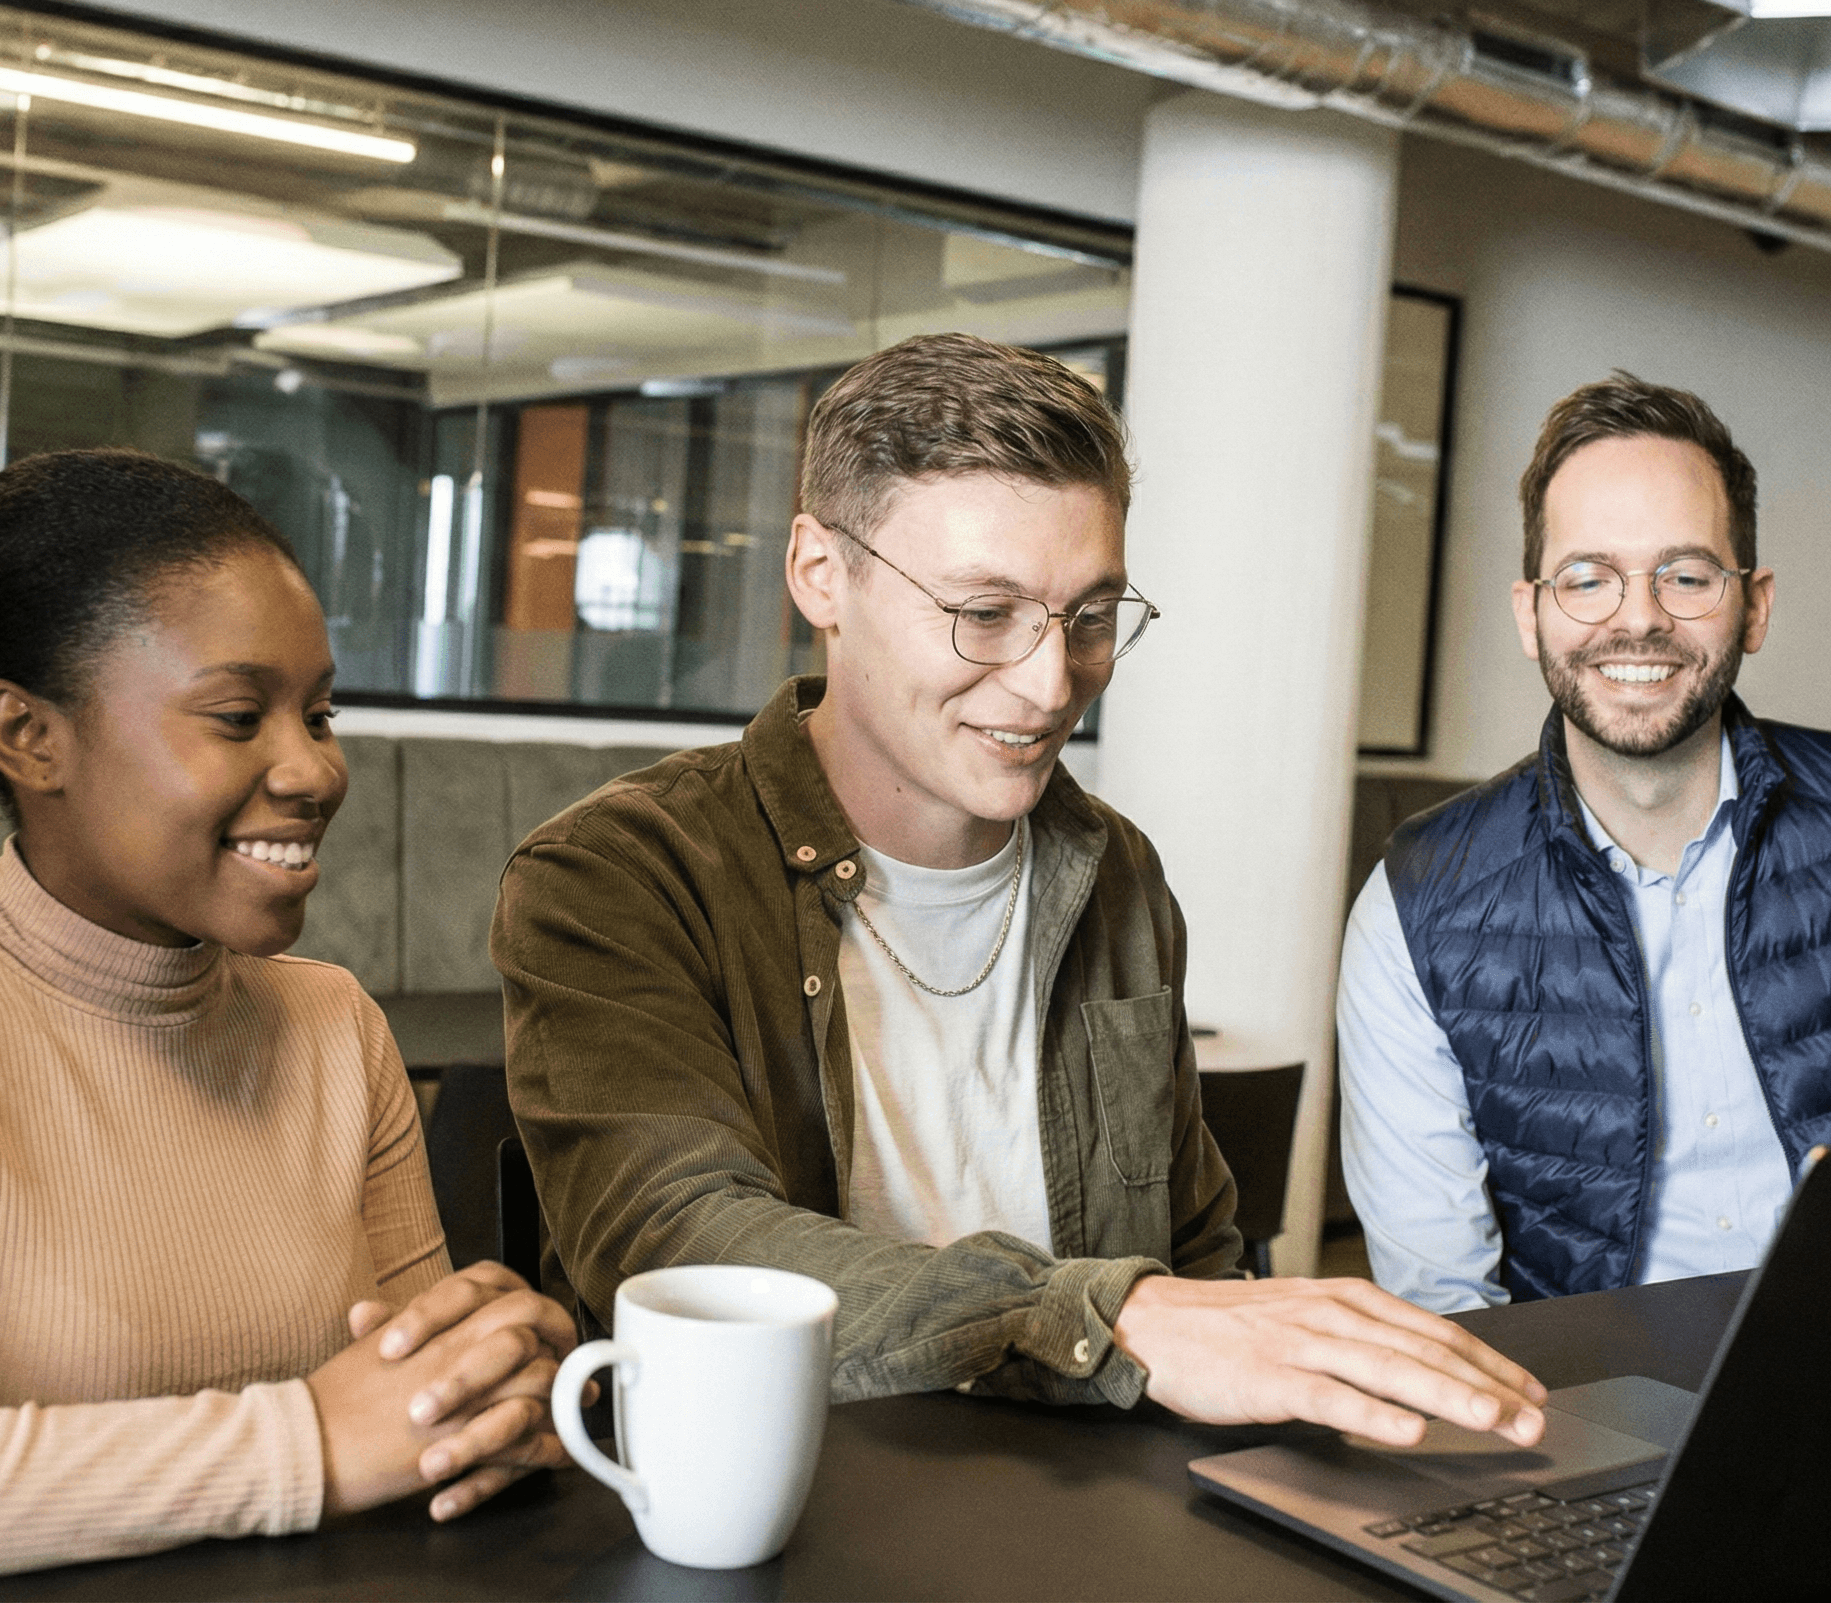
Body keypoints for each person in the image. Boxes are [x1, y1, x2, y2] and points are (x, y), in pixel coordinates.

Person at [496, 333, 1545, 1450]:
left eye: (1091, 617)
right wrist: (1102, 1317)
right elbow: (682, 1245)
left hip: (1095, 1507)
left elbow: (1195, 1253)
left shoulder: (1117, 871)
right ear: (819, 574)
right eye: (983, 613)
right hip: (785, 1501)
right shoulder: (615, 876)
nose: (1051, 686)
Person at [0, 451, 577, 1597]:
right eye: (238, 716)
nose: (315, 769)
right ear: (29, 735)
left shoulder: (333, 1023)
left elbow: (415, 1416)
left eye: (320, 713)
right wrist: (297, 1446)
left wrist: (495, 1390)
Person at [1338, 373, 1831, 1312]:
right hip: (1578, 1395)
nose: (1639, 617)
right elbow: (1445, 1303)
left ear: (1754, 606)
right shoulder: (1417, 900)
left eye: (1685, 575)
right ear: (1531, 614)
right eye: (1588, 578)